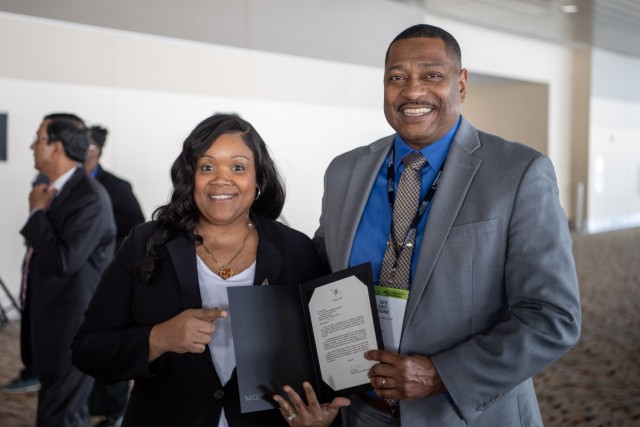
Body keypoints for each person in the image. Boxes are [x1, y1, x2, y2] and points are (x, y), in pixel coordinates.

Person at [274, 24, 581, 426]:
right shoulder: (345, 171)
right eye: (396, 77)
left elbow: (551, 317)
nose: (413, 91)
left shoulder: (519, 172)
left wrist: (441, 374)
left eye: (432, 75)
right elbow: (318, 274)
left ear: (462, 83)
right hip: (360, 413)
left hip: (460, 414)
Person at [71, 114, 339, 426]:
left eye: (238, 167)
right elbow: (88, 350)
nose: (220, 180)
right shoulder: (146, 242)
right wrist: (158, 338)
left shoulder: (296, 250)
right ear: (190, 176)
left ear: (258, 178)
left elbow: (323, 360)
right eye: (207, 167)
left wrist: (313, 418)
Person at [20, 113, 116, 426]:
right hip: (52, 324)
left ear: (56, 148)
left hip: (72, 328)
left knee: (60, 416)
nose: (32, 145)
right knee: (57, 412)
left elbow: (65, 261)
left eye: (39, 138)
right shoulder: (58, 190)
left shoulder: (89, 197)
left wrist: (36, 214)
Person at [84, 125, 145, 427]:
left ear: (97, 152)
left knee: (113, 342)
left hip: (107, 275)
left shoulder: (116, 187)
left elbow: (134, 230)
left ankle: (113, 412)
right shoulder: (60, 184)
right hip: (79, 279)